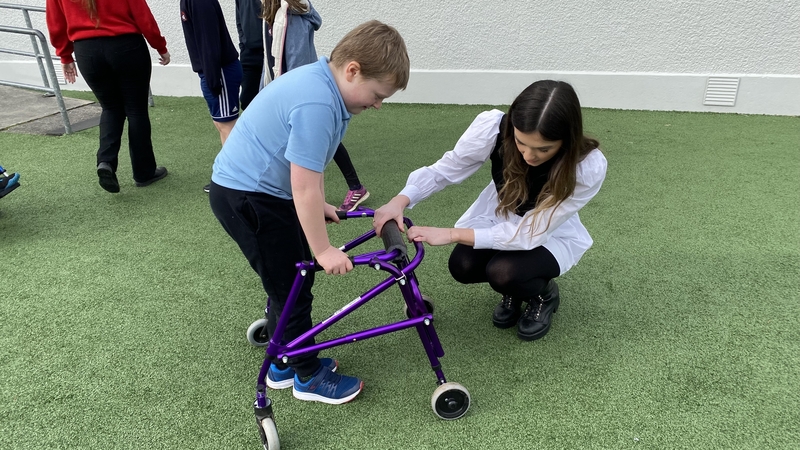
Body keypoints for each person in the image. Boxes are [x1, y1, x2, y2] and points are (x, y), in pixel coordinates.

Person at [209, 20, 409, 404]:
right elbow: (302, 185)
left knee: (292, 279)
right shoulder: (317, 102)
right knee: (292, 284)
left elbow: (308, 168)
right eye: (378, 94)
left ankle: (284, 357)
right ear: (352, 70)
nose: (379, 104)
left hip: (259, 191)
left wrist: (322, 206)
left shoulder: (323, 86)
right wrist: (323, 250)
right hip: (250, 197)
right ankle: (307, 376)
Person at [374, 80, 608, 341]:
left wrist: (452, 234)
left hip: (546, 233)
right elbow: (447, 168)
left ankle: (542, 294)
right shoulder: (494, 128)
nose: (529, 155)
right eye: (521, 142)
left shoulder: (586, 166)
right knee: (462, 266)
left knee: (504, 273)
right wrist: (400, 200)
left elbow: (530, 233)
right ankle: (516, 287)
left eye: (543, 149)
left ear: (567, 140)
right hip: (502, 214)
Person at [46, 0, 170, 193]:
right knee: (136, 110)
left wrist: (65, 56)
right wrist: (160, 46)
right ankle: (144, 173)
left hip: (86, 51)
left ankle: (106, 162)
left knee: (111, 108)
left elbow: (56, 22)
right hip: (127, 46)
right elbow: (142, 14)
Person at [261, 0, 370, 212]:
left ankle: (355, 187)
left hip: (301, 95)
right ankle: (353, 186)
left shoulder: (294, 14)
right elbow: (270, 59)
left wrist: (291, 97)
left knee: (320, 142)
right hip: (290, 93)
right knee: (321, 143)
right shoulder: (275, 10)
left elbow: (297, 63)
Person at [235, 0, 265, 111]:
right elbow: (239, 18)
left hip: (270, 54)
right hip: (248, 55)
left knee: (269, 101)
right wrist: (243, 42)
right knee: (247, 101)